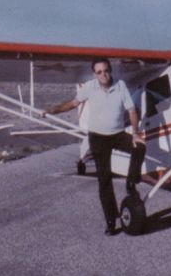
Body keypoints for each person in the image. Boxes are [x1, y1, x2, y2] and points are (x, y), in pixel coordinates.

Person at [45, 58, 146, 236]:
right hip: (98, 138)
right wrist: (53, 109)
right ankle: (111, 220)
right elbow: (73, 103)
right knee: (104, 180)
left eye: (106, 70)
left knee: (139, 146)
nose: (103, 74)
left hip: (117, 134)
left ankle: (131, 183)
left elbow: (131, 111)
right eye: (99, 72)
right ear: (94, 74)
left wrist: (136, 132)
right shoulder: (90, 87)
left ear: (110, 70)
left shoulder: (120, 85)